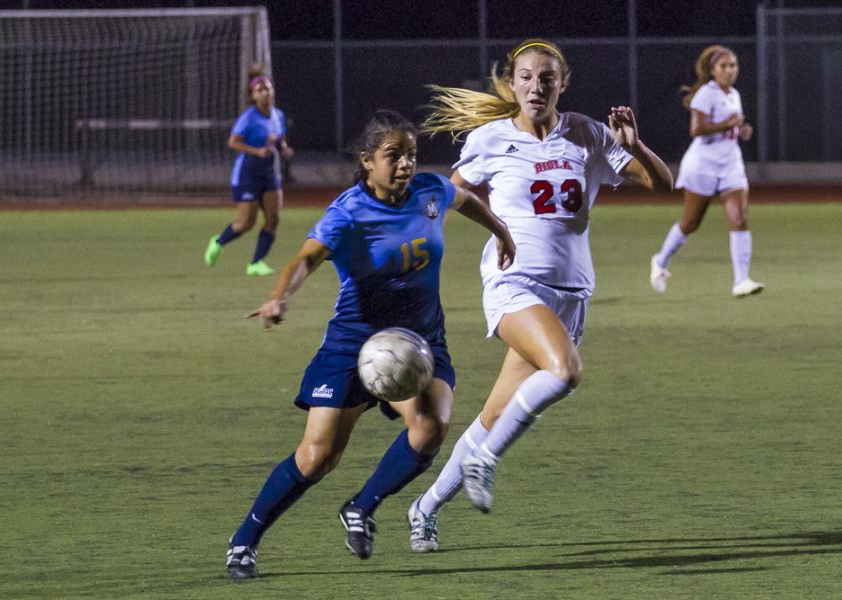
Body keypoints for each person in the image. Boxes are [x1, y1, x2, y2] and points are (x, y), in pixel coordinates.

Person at [406, 38, 673, 552]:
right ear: (512, 82)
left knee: (492, 417)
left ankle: (425, 508)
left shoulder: (588, 133)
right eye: (525, 77)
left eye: (546, 77)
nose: (535, 86)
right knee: (566, 372)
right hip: (514, 284)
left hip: (570, 296)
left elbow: (662, 184)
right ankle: (487, 461)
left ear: (562, 83)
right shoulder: (490, 140)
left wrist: (634, 145)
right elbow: (451, 191)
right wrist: (421, 228)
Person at [224, 109, 515, 580]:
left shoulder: (429, 191)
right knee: (317, 457)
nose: (405, 164)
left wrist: (501, 231)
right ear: (367, 160)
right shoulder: (349, 213)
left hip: (421, 340)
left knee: (431, 427)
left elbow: (466, 199)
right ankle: (245, 540)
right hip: (355, 344)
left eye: (411, 155)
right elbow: (307, 257)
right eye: (393, 155)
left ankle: (362, 507)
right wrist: (279, 296)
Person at [649, 45, 764, 297]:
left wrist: (740, 131)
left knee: (739, 217)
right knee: (690, 222)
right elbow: (697, 129)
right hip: (703, 166)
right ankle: (660, 261)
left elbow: (729, 129)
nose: (730, 70)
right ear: (712, 70)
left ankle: (742, 280)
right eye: (724, 66)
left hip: (730, 164)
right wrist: (728, 124)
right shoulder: (705, 94)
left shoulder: (734, 94)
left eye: (733, 65)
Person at [204, 67, 294, 276]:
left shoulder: (278, 115)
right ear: (253, 96)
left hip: (269, 172)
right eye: (260, 90)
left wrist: (284, 148)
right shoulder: (249, 117)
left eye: (267, 89)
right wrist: (257, 150)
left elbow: (279, 137)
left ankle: (256, 263)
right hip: (248, 172)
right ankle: (218, 242)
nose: (264, 93)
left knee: (273, 219)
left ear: (273, 91)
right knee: (246, 223)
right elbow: (233, 142)